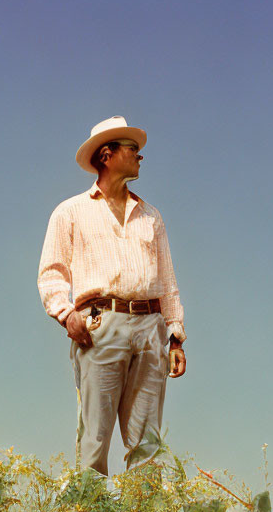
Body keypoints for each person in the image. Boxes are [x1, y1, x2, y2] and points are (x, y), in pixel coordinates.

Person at [38, 116, 186, 475]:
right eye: (133, 149)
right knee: (95, 435)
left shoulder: (151, 217)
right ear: (107, 155)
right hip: (100, 325)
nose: (140, 156)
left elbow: (167, 280)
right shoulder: (70, 212)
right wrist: (65, 314)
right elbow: (51, 272)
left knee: (147, 441)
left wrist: (176, 336)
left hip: (151, 328)